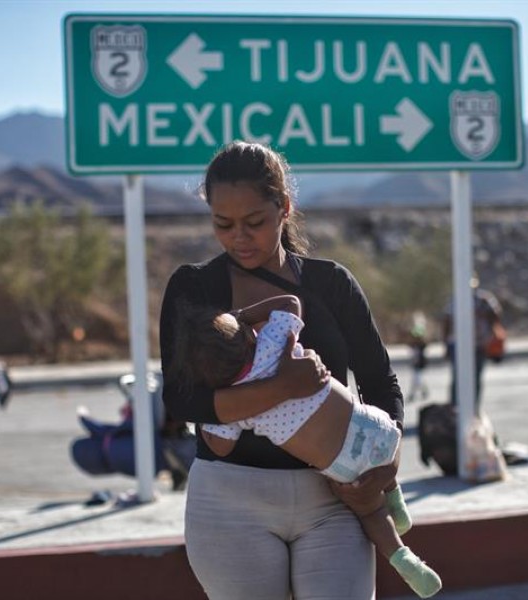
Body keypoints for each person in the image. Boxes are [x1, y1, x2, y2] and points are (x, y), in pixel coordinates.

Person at [160, 141, 408, 599]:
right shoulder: (194, 287)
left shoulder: (330, 283)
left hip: (331, 500)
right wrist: (281, 388)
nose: (239, 237)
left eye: (254, 222)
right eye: (223, 224)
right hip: (230, 503)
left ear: (284, 208)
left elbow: (379, 382)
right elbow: (181, 400)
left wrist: (387, 457)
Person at [170, 294, 441, 598]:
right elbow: (290, 304)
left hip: (341, 465)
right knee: (378, 470)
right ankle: (396, 502)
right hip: (375, 427)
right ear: (247, 337)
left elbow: (218, 447)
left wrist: (210, 409)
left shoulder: (239, 405)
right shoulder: (272, 342)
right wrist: (243, 315)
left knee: (370, 512)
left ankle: (400, 555)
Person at [442, 278, 502, 411]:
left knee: (475, 376)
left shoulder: (483, 299)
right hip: (458, 344)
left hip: (478, 344)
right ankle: (454, 407)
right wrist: (446, 344)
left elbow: (496, 314)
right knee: (458, 376)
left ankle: (473, 408)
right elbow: (447, 321)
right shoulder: (456, 299)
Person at [406, 312, 430, 403]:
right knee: (417, 380)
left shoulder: (421, 346)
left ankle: (416, 393)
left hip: (419, 365)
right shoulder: (414, 346)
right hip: (415, 364)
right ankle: (421, 392)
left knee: (417, 380)